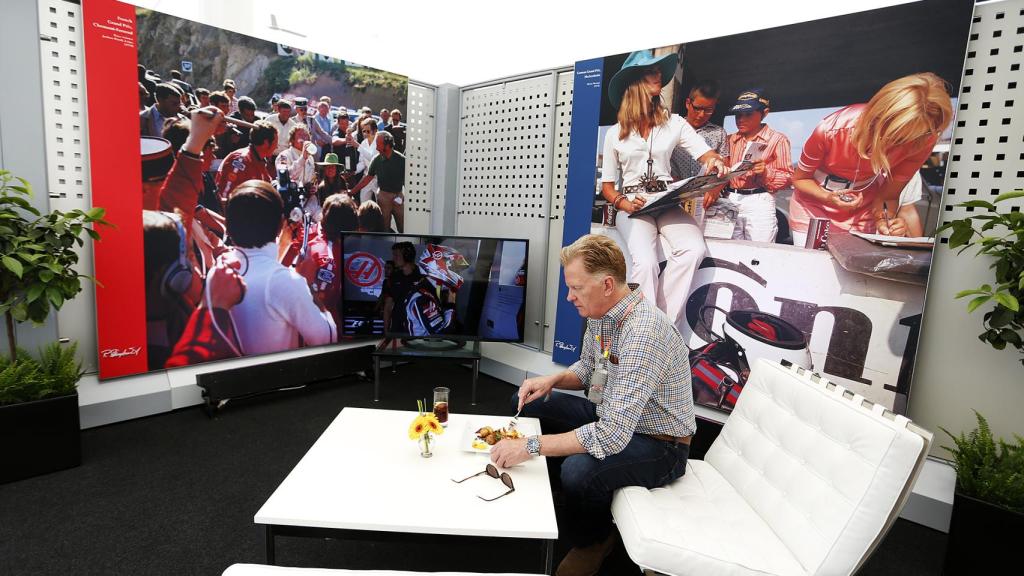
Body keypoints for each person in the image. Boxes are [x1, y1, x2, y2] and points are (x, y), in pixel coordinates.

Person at [490, 234, 694, 576]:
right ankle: (565, 501)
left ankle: (594, 541)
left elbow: (611, 435)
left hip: (661, 445)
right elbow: (588, 368)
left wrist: (532, 446)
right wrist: (551, 380)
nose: (569, 297)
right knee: (524, 403)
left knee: (578, 470)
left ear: (607, 284)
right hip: (614, 417)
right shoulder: (604, 313)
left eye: (577, 288)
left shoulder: (643, 332)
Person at [600, 50, 727, 331]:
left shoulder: (675, 123)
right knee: (645, 263)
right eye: (650, 71)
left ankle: (662, 325)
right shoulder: (614, 132)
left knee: (693, 249)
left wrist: (715, 161)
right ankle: (643, 327)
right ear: (633, 83)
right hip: (632, 205)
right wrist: (623, 203)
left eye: (659, 70)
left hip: (666, 200)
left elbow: (704, 153)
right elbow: (607, 187)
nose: (659, 75)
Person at [790, 72, 953, 245]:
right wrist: (827, 197)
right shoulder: (832, 129)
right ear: (879, 117)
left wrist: (885, 221)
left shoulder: (924, 140)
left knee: (855, 268)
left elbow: (888, 197)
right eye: (896, 136)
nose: (902, 146)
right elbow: (800, 178)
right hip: (813, 208)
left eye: (917, 136)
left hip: (862, 213)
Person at [224, 179, 337, 355]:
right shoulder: (288, 282)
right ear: (280, 224)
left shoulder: (219, 267)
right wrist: (307, 286)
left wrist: (284, 240)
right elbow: (327, 338)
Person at [717, 88, 793, 242]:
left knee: (760, 252)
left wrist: (766, 173)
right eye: (738, 115)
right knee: (727, 250)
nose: (741, 119)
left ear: (764, 113)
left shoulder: (778, 140)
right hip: (729, 198)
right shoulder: (728, 140)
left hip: (760, 201)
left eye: (748, 114)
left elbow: (788, 177)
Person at [670, 81, 729, 182]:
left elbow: (725, 167)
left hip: (707, 193)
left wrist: (715, 190)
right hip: (676, 192)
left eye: (708, 110)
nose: (702, 114)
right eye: (697, 108)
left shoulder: (720, 133)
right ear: (688, 103)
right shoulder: (672, 128)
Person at [350, 131, 405, 232]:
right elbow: (367, 178)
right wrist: (352, 191)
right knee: (383, 227)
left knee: (403, 226)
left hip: (398, 196)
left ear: (387, 145)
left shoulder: (401, 160)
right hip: (383, 196)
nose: (376, 148)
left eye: (378, 145)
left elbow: (409, 183)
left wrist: (401, 197)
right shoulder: (376, 160)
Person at [215, 120, 277, 203]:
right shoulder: (240, 160)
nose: (276, 147)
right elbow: (224, 196)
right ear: (266, 143)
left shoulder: (260, 160)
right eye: (275, 142)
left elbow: (268, 186)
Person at [381, 242, 423, 334]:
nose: (393, 258)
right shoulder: (393, 277)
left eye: (396, 255)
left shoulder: (422, 277)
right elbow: (388, 307)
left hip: (418, 330)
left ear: (407, 256)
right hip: (397, 330)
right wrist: (386, 331)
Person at [355, 118, 381, 203]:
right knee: (364, 204)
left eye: (368, 131)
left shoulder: (379, 141)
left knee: (381, 207)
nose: (365, 133)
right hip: (366, 178)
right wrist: (353, 171)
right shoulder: (363, 143)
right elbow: (362, 163)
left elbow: (373, 158)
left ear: (375, 130)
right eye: (364, 131)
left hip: (379, 180)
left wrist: (357, 145)